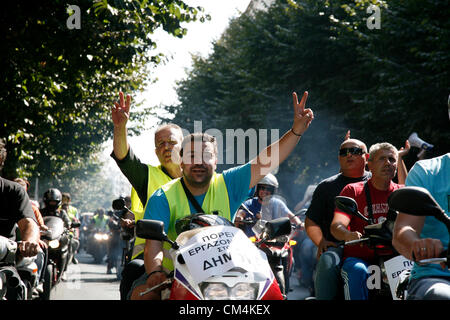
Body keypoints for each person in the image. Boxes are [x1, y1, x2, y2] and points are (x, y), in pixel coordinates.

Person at [130, 90, 314, 300]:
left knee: (273, 294)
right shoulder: (162, 196)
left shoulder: (229, 183)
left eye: (206, 155)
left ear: (215, 161)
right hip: (175, 277)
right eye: (191, 156)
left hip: (231, 274)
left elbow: (267, 161)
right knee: (145, 296)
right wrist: (155, 272)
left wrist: (296, 131)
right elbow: (153, 247)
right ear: (181, 162)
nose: (199, 162)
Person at [111, 91, 184, 299]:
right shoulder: (147, 176)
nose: (166, 147)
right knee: (134, 276)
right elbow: (123, 157)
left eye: (171, 142)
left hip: (199, 259)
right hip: (153, 261)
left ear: (184, 146)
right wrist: (120, 127)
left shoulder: (199, 175)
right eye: (160, 144)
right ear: (156, 152)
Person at [330, 142, 403, 300]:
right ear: (369, 164)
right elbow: (337, 225)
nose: (388, 163)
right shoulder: (353, 190)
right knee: (357, 271)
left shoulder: (403, 193)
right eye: (382, 158)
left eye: (392, 159)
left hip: (396, 258)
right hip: (361, 258)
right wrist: (348, 234)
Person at [305, 137, 371, 299]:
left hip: (380, 245)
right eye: (344, 152)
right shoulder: (326, 186)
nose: (349, 155)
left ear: (367, 157)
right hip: (339, 246)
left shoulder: (378, 181)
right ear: (339, 158)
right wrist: (321, 242)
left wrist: (399, 160)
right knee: (327, 260)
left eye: (355, 151)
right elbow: (311, 220)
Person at [392, 152, 450, 300]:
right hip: (437, 276)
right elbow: (404, 228)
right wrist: (418, 244)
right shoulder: (426, 171)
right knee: (440, 296)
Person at [0, 139, 40, 299]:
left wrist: (29, 241)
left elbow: (28, 224)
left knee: (15, 289)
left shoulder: (13, 191)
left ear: (0, 161)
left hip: (3, 262)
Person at [234, 173, 302, 237]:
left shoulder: (278, 203)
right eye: (262, 188)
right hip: (251, 242)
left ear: (273, 191)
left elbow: (291, 216)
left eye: (268, 189)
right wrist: (239, 217)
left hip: (272, 241)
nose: (265, 191)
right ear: (258, 189)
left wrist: (300, 224)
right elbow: (241, 213)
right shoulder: (250, 203)